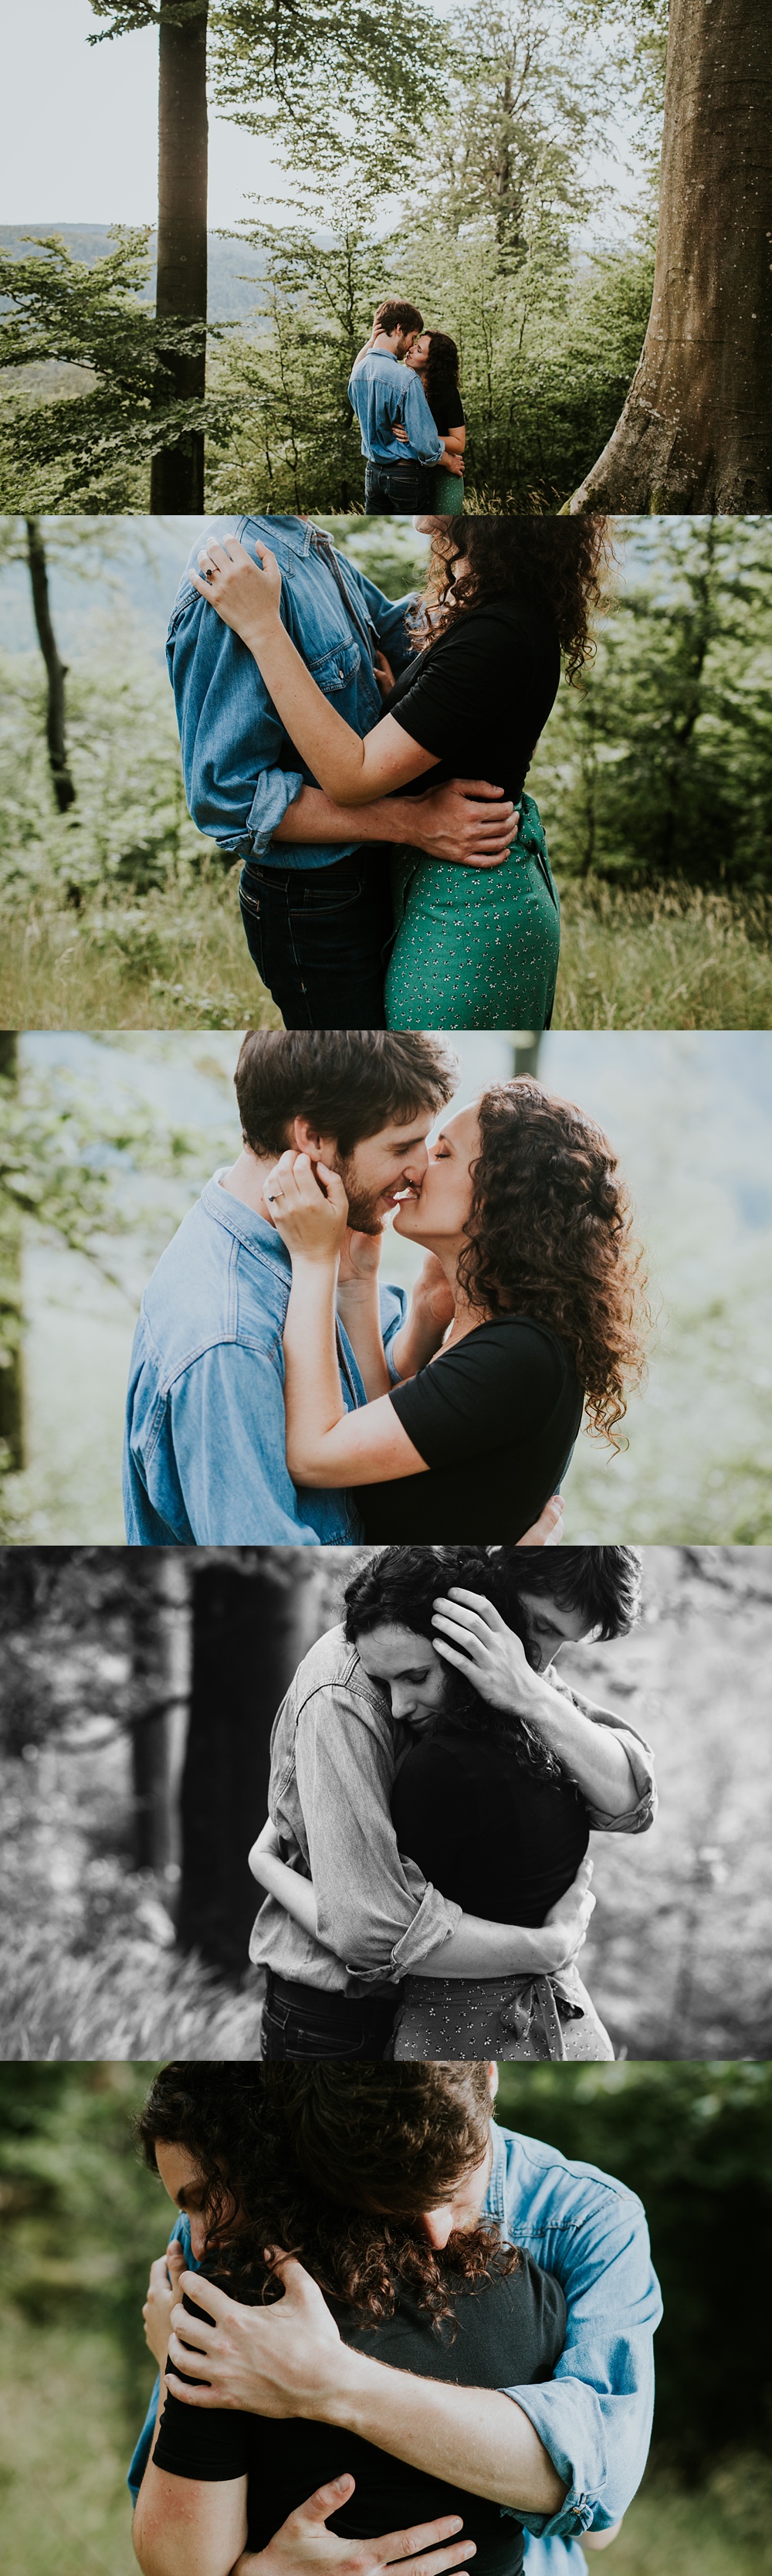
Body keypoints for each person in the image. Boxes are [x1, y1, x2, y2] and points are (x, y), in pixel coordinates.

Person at [128, 2060, 662, 2576]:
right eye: (395, 2197)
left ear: (491, 2075)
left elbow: (598, 2500)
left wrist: (329, 2381)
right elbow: (183, 2510)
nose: (433, 2231)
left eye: (450, 2182)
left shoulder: (588, 2218)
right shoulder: (231, 2240)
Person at [122, 1033, 565, 1554]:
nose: (419, 1167)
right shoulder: (229, 1340)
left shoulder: (320, 1239)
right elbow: (279, 1576)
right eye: (401, 1146)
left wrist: (399, 1310)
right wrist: (483, 1569)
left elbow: (392, 1420)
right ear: (312, 1137)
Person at [190, 517, 612, 1030]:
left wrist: (261, 627)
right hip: (456, 894)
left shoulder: (498, 633)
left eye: (452, 509)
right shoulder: (497, 613)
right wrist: (397, 701)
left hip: (471, 912)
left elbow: (352, 774)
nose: (423, 523)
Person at [249, 1546, 655, 2062]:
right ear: (496, 1580)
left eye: (562, 1640)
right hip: (340, 2014)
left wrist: (531, 1694)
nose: (541, 1658)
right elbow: (366, 1928)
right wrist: (543, 1949)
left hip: (456, 2009)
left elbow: (629, 1799)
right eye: (540, 1625)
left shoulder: (500, 1658)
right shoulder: (350, 1684)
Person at [260, 1075, 649, 1544]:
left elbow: (313, 1455)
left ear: (502, 1197)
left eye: (442, 1154)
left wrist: (312, 1258)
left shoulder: (518, 1355)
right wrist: (358, 1282)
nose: (418, 1167)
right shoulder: (505, 1339)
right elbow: (375, 1432)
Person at [347, 300, 464, 515]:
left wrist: (373, 340)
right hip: (405, 475)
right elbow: (423, 442)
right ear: (399, 329)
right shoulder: (405, 378)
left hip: (373, 474)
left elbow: (358, 368)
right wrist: (448, 461)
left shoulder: (358, 372)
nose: (410, 346)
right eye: (412, 338)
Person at [399, 332, 466, 510]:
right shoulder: (404, 385)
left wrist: (419, 436)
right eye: (415, 345)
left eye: (419, 350)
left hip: (444, 474)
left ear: (432, 363)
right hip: (411, 473)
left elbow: (459, 444)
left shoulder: (448, 394)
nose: (411, 349)